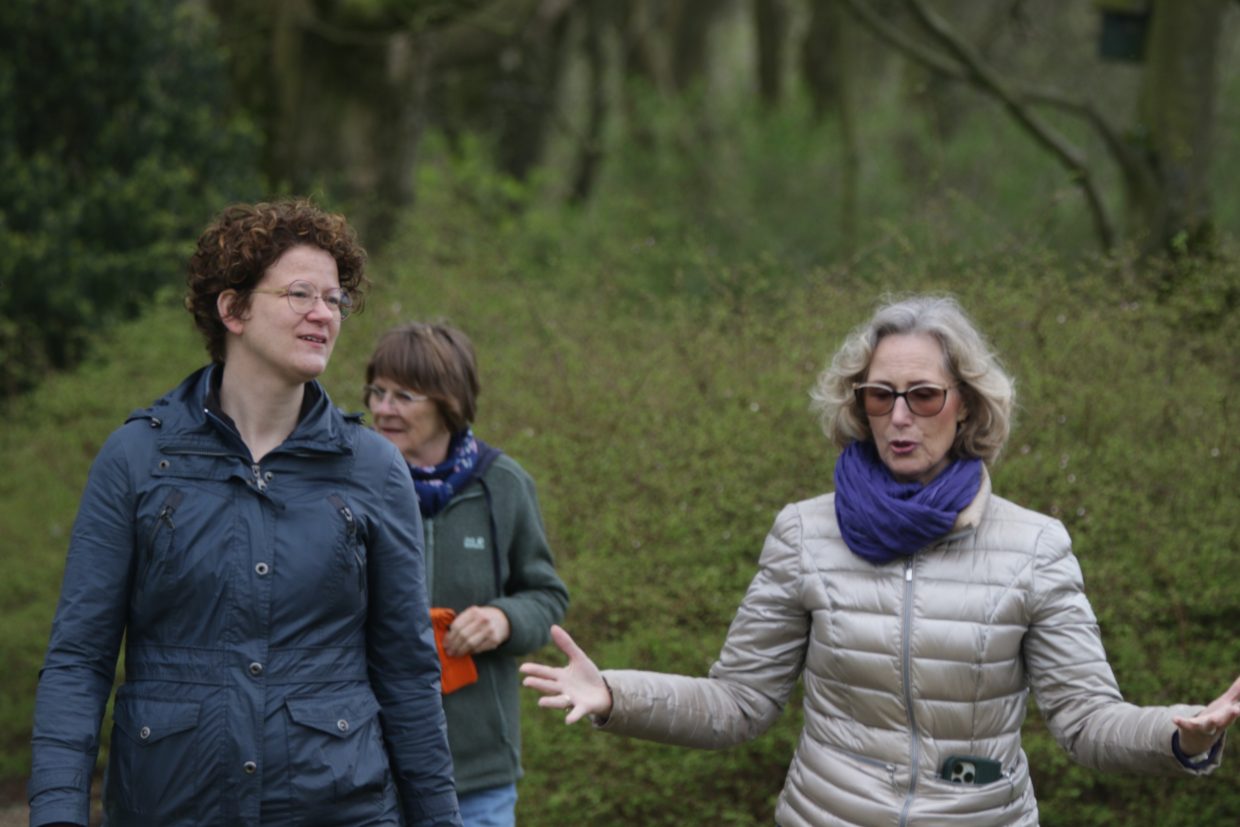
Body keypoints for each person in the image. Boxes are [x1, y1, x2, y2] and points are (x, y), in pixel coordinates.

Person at [520, 294, 1240, 826]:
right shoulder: (804, 532)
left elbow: (1084, 721)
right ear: (857, 404)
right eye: (879, 396)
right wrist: (616, 693)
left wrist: (1177, 732)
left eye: (923, 395)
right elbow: (738, 703)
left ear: (965, 405)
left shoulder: (1035, 545)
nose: (900, 416)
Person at [27, 199, 462, 827]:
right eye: (300, 294)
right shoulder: (139, 458)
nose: (324, 314)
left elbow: (407, 672)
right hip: (170, 808)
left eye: (335, 299)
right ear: (232, 309)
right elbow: (79, 660)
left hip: (341, 809)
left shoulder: (373, 468)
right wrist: (58, 814)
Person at [364, 322, 569, 827]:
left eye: (404, 396)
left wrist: (504, 620)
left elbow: (547, 597)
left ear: (448, 402)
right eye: (377, 391)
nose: (383, 409)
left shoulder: (506, 485)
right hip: (366, 766)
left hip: (477, 776)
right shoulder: (352, 483)